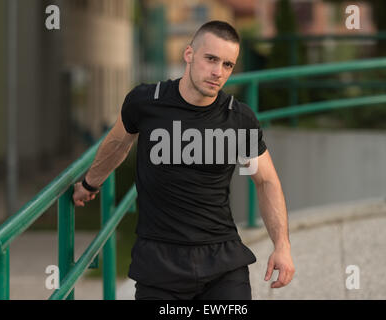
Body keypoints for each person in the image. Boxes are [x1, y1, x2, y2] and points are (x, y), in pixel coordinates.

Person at [72, 20, 294, 300]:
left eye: (227, 65)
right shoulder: (146, 102)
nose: (218, 72)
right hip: (159, 263)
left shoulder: (238, 119)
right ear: (189, 54)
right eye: (211, 59)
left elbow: (265, 181)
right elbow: (118, 144)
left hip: (222, 262)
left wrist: (282, 245)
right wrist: (91, 183)